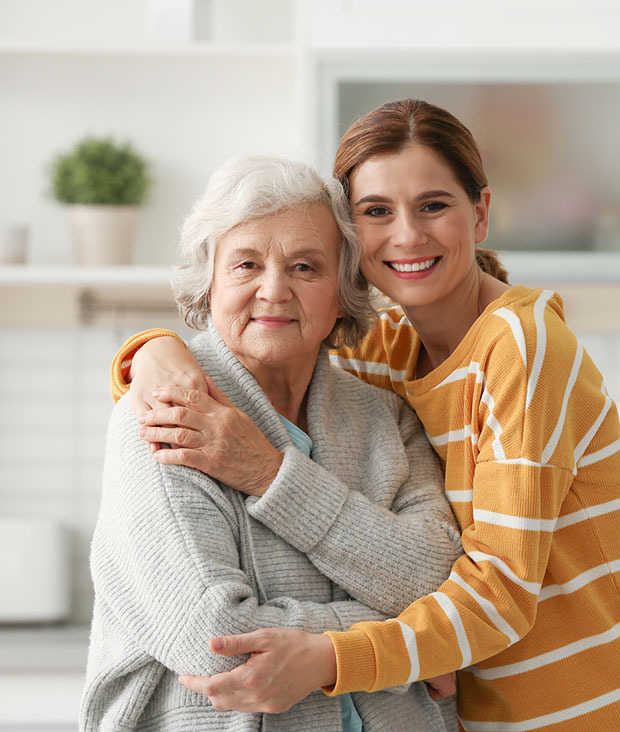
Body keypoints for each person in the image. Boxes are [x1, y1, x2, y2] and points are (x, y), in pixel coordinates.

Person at [110, 100, 620, 730]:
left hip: (563, 709)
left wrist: (327, 654)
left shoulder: (523, 347)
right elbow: (270, 330)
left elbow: (492, 591)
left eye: (433, 204)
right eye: (377, 211)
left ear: (481, 213)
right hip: (466, 711)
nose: (406, 235)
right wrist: (148, 354)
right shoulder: (388, 350)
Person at [82, 153, 464, 732]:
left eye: (306, 267)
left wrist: (270, 476)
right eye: (246, 265)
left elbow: (439, 579)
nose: (274, 290)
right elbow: (215, 641)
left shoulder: (387, 416)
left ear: (342, 293)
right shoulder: (164, 410)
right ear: (207, 285)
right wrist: (404, 643)